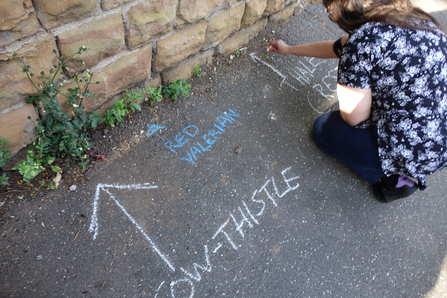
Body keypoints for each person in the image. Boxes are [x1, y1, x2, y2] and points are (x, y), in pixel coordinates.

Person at [266, 0, 447, 203]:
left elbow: (355, 118)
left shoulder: (363, 43)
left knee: (325, 129)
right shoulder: (414, 18)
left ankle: (391, 181)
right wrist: (289, 49)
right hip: (440, 147)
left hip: (413, 151)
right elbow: (339, 47)